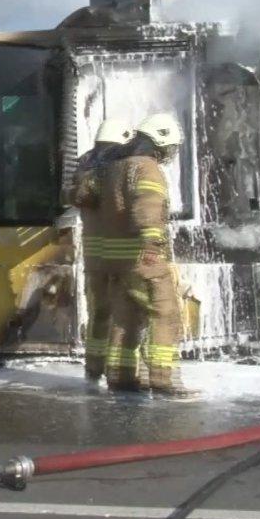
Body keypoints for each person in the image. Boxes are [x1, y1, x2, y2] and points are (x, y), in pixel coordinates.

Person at [101, 113, 191, 396]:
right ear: (160, 140)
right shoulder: (147, 168)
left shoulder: (115, 167)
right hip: (144, 258)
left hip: (116, 259)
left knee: (125, 318)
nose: (169, 153)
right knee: (165, 313)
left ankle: (120, 376)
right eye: (170, 147)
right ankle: (164, 380)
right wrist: (152, 243)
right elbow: (148, 206)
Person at [69, 119, 132, 381]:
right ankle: (121, 371)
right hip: (119, 254)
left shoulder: (83, 167)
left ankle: (94, 367)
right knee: (124, 315)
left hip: (93, 255)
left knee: (99, 313)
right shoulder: (118, 166)